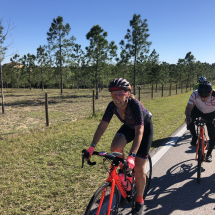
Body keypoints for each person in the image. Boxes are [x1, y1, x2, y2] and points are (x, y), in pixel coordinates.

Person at [86, 78, 153, 215]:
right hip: (129, 126)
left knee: (139, 168)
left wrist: (132, 155)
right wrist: (92, 147)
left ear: (127, 93)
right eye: (114, 94)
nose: (117, 98)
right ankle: (126, 174)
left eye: (121, 94)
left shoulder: (134, 104)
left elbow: (139, 131)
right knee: (115, 148)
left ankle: (139, 201)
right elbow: (102, 126)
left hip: (144, 128)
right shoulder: (112, 106)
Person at [185, 81, 215, 162]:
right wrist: (188, 116)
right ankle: (194, 137)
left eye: (206, 96)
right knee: (189, 119)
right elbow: (189, 107)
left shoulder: (214, 95)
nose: (203, 98)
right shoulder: (195, 94)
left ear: (211, 92)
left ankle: (209, 154)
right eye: (201, 96)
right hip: (198, 110)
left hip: (211, 113)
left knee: (213, 137)